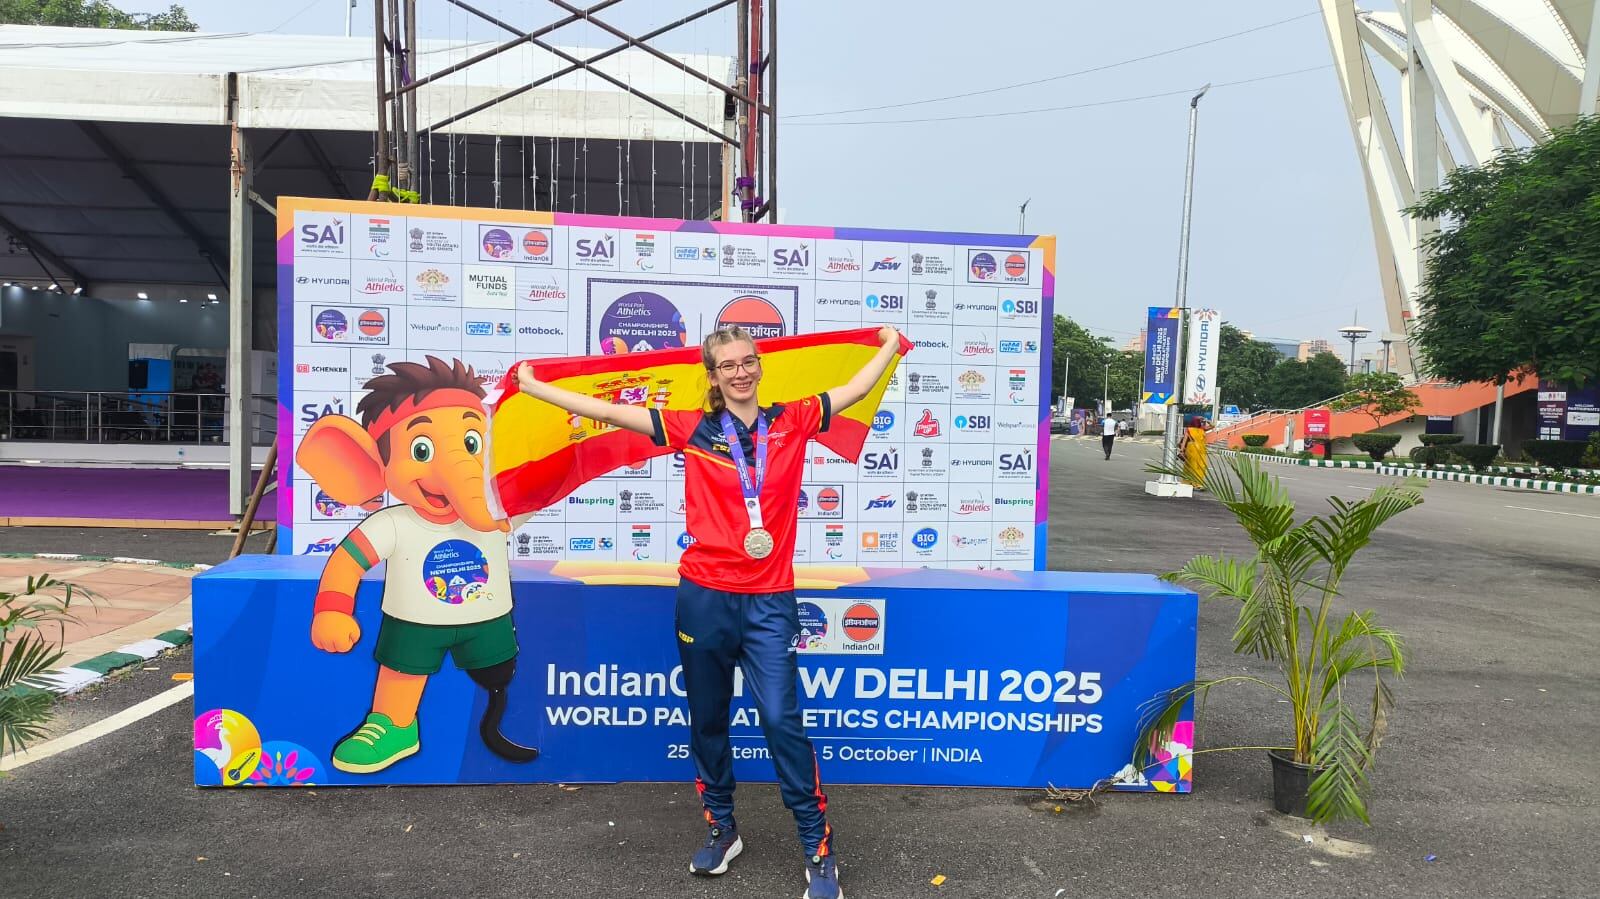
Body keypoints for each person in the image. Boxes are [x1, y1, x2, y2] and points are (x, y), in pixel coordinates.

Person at [517, 324, 904, 899]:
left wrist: (889, 347)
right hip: (704, 598)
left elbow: (853, 389)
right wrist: (535, 387)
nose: (740, 372)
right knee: (708, 720)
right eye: (728, 365)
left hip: (770, 601)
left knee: (781, 721)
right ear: (714, 376)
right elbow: (610, 412)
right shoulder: (692, 428)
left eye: (748, 361)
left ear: (760, 366)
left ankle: (817, 848)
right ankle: (723, 830)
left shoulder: (794, 419)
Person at [1180, 415, 1210, 487]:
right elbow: (1213, 425)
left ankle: (1190, 481)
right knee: (1198, 466)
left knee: (1194, 466)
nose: (1201, 422)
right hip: (1197, 449)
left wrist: (1181, 450)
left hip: (1195, 448)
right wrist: (1206, 420)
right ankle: (1196, 483)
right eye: (1200, 421)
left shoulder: (1198, 429)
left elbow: (1184, 441)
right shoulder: (1200, 429)